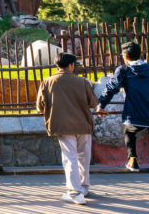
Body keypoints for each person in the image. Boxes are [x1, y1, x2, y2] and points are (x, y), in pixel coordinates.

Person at [36, 52, 98, 205]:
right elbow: (93, 103)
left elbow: (40, 107)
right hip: (83, 124)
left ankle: (74, 192)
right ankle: (83, 187)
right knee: (84, 157)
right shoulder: (82, 81)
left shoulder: (47, 82)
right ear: (71, 65)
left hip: (63, 125)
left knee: (70, 158)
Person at [96, 41, 149, 172]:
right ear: (140, 54)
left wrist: (101, 105)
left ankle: (133, 161)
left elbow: (111, 88)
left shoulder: (124, 70)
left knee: (129, 132)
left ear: (125, 57)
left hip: (134, 114)